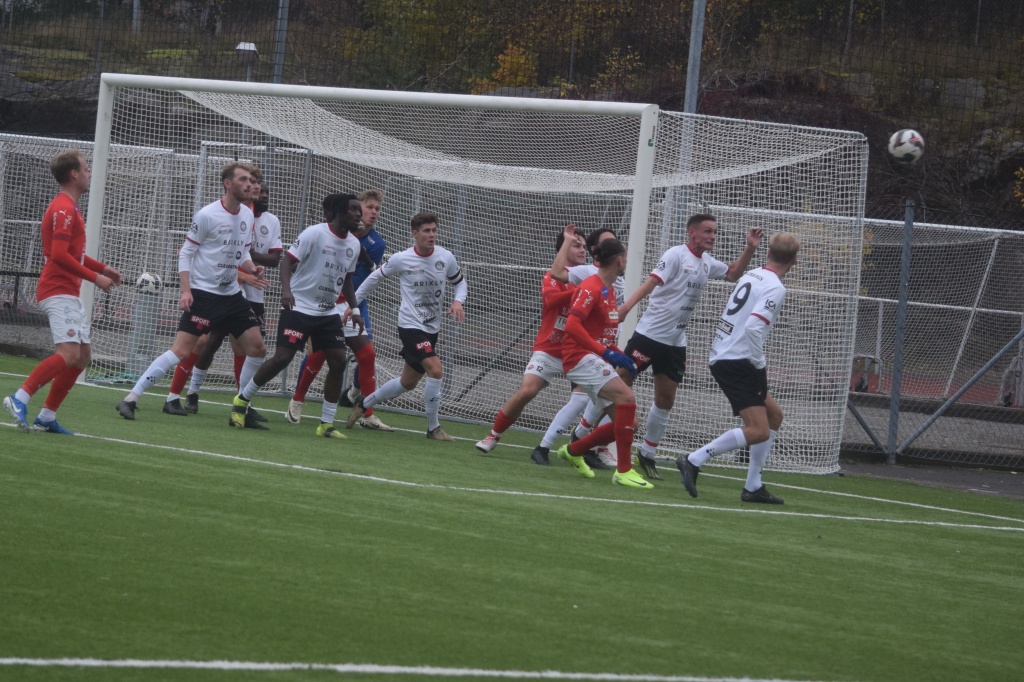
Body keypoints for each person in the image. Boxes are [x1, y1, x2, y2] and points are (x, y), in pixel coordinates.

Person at [114, 162, 267, 420]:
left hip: (232, 296)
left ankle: (242, 405)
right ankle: (131, 398)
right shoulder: (207, 215)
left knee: (258, 348)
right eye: (243, 179)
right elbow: (186, 254)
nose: (249, 184)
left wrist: (252, 268)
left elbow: (242, 252)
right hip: (204, 295)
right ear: (227, 184)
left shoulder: (247, 215)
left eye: (251, 181)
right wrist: (186, 291)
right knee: (181, 351)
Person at [615, 214, 762, 480]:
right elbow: (651, 283)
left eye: (715, 232)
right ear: (692, 232)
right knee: (619, 383)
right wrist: (625, 308)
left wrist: (749, 249)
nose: (712, 236)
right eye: (708, 231)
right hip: (649, 336)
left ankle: (647, 455)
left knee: (666, 400)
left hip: (675, 342)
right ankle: (588, 437)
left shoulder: (707, 262)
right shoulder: (675, 255)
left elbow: (732, 274)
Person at [677, 232, 800, 505]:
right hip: (738, 361)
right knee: (759, 430)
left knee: (774, 416)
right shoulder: (776, 287)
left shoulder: (753, 274)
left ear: (768, 253)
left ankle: (753, 486)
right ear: (794, 261)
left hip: (724, 354)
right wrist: (758, 362)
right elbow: (754, 327)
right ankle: (694, 459)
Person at [4, 150, 122, 434]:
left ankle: (46, 417)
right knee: (69, 353)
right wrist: (95, 278)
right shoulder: (63, 209)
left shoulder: (70, 208)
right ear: (74, 174)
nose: (89, 173)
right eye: (86, 168)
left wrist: (103, 268)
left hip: (67, 290)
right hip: (57, 290)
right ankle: (19, 398)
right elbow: (58, 255)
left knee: (82, 357)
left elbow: (72, 253)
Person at [229, 193, 364, 438]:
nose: (358, 214)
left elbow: (347, 280)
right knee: (282, 357)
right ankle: (242, 400)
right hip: (299, 307)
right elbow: (286, 262)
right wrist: (287, 292)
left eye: (359, 210)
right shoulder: (314, 233)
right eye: (353, 209)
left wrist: (354, 310)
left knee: (338, 362)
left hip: (327, 312)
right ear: (339, 212)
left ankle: (326, 424)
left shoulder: (354, 244)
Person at [163, 176, 281, 424]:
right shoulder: (219, 213)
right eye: (252, 186)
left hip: (245, 295)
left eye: (260, 188)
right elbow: (209, 257)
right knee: (203, 342)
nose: (258, 191)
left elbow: (257, 256)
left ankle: (243, 403)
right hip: (215, 292)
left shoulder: (265, 220)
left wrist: (251, 268)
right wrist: (245, 274)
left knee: (246, 347)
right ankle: (183, 394)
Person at [346, 210, 467, 440]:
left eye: (434, 230)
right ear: (415, 233)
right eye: (426, 231)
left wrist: (458, 301)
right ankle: (433, 429)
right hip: (410, 325)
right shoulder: (402, 258)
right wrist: (353, 305)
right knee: (436, 369)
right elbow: (374, 277)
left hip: (432, 327)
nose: (432, 235)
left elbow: (460, 283)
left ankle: (364, 402)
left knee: (407, 382)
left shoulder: (446, 257)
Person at [475, 226, 588, 456]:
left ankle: (593, 448)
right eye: (576, 245)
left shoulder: (591, 278)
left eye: (585, 246)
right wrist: (581, 292)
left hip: (579, 352)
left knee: (597, 397)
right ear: (562, 249)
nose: (582, 250)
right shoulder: (553, 276)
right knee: (527, 390)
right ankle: (493, 435)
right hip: (550, 349)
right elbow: (551, 300)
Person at [287, 189, 394, 431]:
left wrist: (352, 307)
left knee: (367, 355)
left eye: (377, 209)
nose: (372, 212)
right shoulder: (331, 231)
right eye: (368, 207)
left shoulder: (376, 243)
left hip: (351, 303)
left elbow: (361, 279)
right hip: (324, 303)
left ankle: (366, 411)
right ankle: (297, 401)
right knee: (319, 354)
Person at [552, 237, 651, 489]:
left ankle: (573, 450)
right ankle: (623, 471)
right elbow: (572, 326)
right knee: (627, 397)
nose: (626, 262)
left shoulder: (609, 290)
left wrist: (618, 352)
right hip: (578, 358)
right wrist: (606, 353)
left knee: (630, 423)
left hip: (593, 356)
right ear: (619, 260)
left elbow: (602, 334)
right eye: (625, 257)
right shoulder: (591, 288)